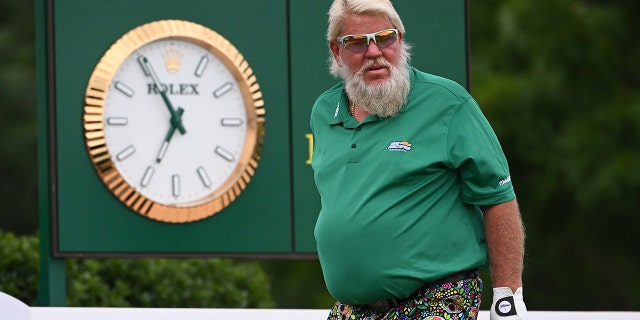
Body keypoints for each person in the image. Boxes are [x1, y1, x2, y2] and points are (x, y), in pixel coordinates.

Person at [310, 1, 529, 319]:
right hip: (355, 308)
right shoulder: (323, 111)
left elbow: (498, 198)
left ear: (400, 39)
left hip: (439, 298)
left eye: (385, 38)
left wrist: (508, 297)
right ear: (336, 51)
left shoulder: (448, 103)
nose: (374, 52)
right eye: (357, 43)